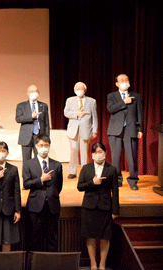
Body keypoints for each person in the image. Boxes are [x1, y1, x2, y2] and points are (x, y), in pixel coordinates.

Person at [77, 142, 119, 270]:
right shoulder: (86, 168)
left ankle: (102, 265)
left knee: (104, 238)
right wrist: (92, 182)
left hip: (105, 207)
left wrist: (115, 211)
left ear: (105, 153)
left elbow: (115, 192)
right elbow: (80, 187)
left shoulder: (111, 169)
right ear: (92, 155)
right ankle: (93, 264)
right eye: (95, 152)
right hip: (89, 207)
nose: (98, 154)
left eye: (100, 152)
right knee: (90, 237)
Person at [23, 134, 63, 252]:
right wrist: (41, 180)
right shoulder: (29, 164)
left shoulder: (57, 164)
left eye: (46, 145)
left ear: (49, 146)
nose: (43, 147)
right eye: (41, 145)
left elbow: (59, 186)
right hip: (35, 207)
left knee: (52, 238)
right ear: (36, 146)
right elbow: (26, 184)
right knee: (33, 239)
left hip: (52, 206)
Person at [107, 74, 143, 190]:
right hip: (115, 130)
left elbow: (139, 114)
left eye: (127, 79)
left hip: (131, 129)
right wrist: (124, 102)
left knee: (132, 157)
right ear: (117, 84)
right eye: (122, 80)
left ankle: (133, 181)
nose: (125, 81)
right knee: (115, 157)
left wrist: (140, 129)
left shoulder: (136, 96)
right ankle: (117, 180)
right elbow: (110, 109)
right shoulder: (111, 96)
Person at [64, 82, 98, 179]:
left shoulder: (92, 101)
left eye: (81, 88)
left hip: (86, 130)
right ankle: (72, 172)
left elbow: (95, 117)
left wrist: (95, 130)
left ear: (85, 90)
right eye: (78, 89)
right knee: (73, 150)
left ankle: (85, 172)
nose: (80, 90)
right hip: (73, 130)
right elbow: (66, 112)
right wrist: (76, 114)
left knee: (84, 152)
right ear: (75, 90)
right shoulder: (69, 100)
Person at [16, 85, 50, 164]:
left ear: (38, 93)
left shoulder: (44, 106)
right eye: (31, 91)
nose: (34, 93)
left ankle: (37, 175)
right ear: (27, 93)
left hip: (39, 136)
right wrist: (30, 116)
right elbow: (18, 119)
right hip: (26, 136)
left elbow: (46, 123)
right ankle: (26, 176)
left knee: (39, 159)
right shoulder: (21, 105)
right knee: (26, 160)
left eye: (35, 91)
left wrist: (47, 138)